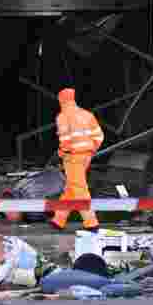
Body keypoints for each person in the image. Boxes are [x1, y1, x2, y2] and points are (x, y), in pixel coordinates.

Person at [51, 87, 103, 231]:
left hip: (72, 158)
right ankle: (58, 220)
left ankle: (91, 223)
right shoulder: (87, 115)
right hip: (86, 156)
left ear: (61, 100)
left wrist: (61, 153)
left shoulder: (62, 117)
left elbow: (65, 140)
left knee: (79, 189)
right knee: (71, 189)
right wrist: (91, 150)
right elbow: (99, 136)